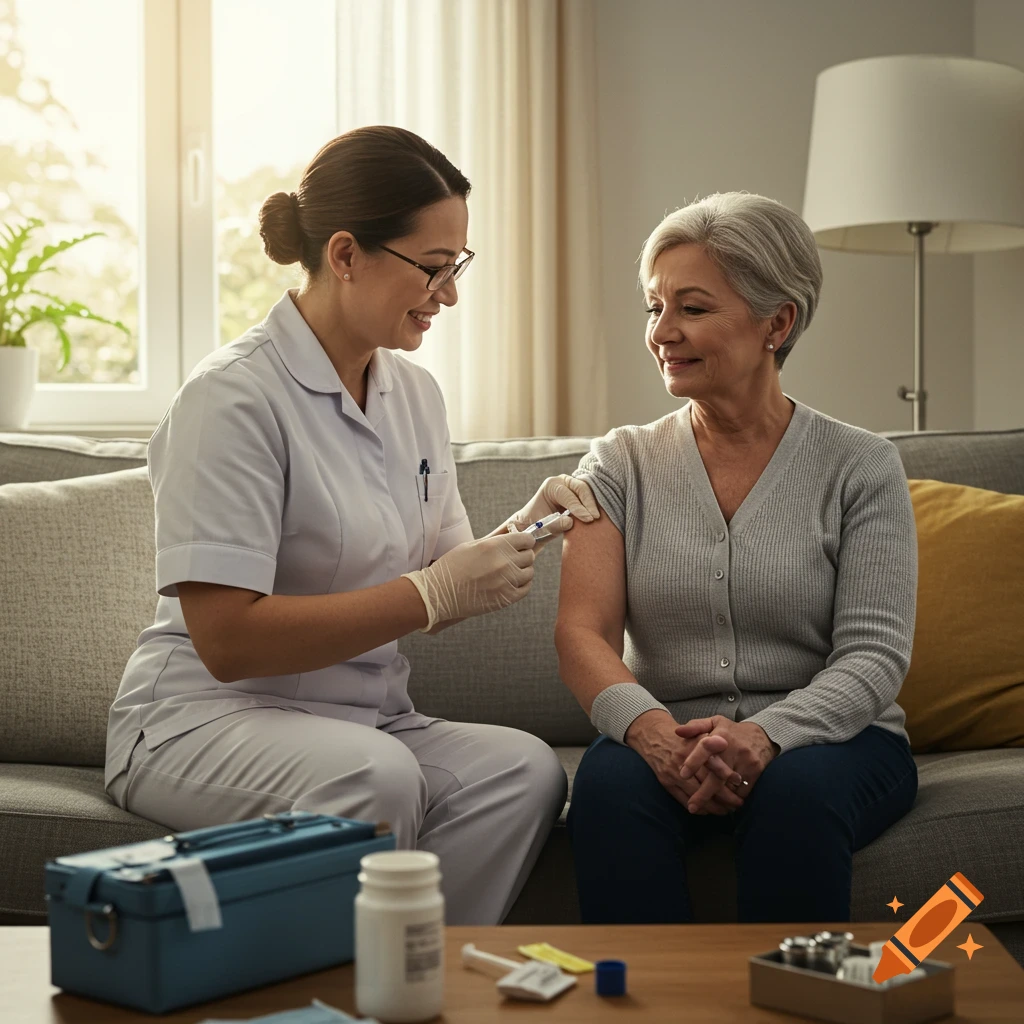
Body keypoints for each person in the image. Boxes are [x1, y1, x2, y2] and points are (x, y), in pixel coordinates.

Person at [104, 125, 600, 926]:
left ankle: (420, 983)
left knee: (524, 769)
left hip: (366, 720)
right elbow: (228, 643)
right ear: (344, 255)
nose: (449, 293)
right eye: (434, 268)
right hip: (204, 719)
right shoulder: (232, 398)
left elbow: (445, 570)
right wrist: (434, 590)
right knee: (378, 776)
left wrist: (528, 525)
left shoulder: (416, 395)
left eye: (458, 266)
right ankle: (350, 996)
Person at [556, 191, 919, 924]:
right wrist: (653, 734)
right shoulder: (619, 463)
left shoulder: (862, 465)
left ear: (776, 323)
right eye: (654, 307)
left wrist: (766, 736)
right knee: (606, 790)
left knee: (797, 794)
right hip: (665, 730)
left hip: (834, 740)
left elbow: (874, 657)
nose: (662, 332)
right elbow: (581, 634)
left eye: (692, 308)